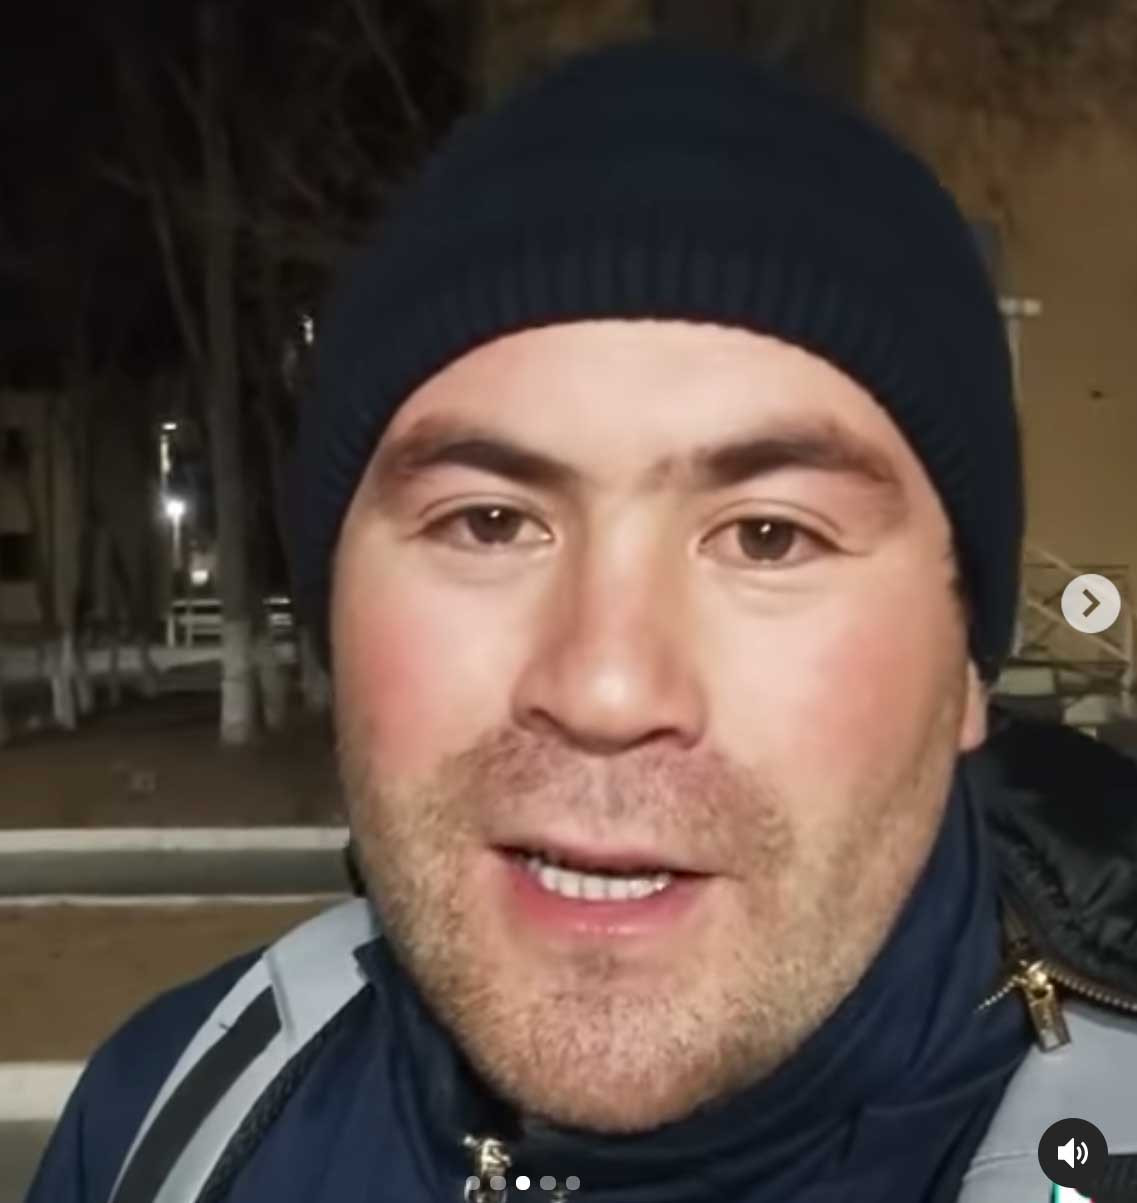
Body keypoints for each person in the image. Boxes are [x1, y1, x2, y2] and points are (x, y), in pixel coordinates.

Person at [27, 40, 1137, 1203]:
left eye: (769, 537)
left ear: (965, 669)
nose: (606, 688)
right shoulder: (171, 1128)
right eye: (491, 523)